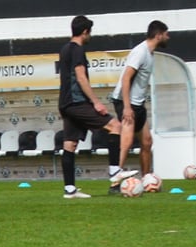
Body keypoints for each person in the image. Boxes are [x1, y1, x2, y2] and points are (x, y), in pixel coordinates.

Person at [55, 14, 122, 199]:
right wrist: (96, 102)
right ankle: (115, 171)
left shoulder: (64, 49)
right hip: (77, 103)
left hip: (65, 104)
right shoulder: (77, 50)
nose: (90, 36)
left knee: (70, 144)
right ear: (85, 32)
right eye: (90, 32)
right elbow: (81, 77)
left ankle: (69, 190)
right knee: (115, 126)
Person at [111, 20, 169, 186]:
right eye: (166, 34)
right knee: (127, 142)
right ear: (158, 35)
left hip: (138, 103)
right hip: (126, 102)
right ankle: (114, 181)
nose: (168, 37)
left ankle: (146, 179)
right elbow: (126, 78)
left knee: (147, 142)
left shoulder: (150, 53)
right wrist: (127, 107)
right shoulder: (140, 52)